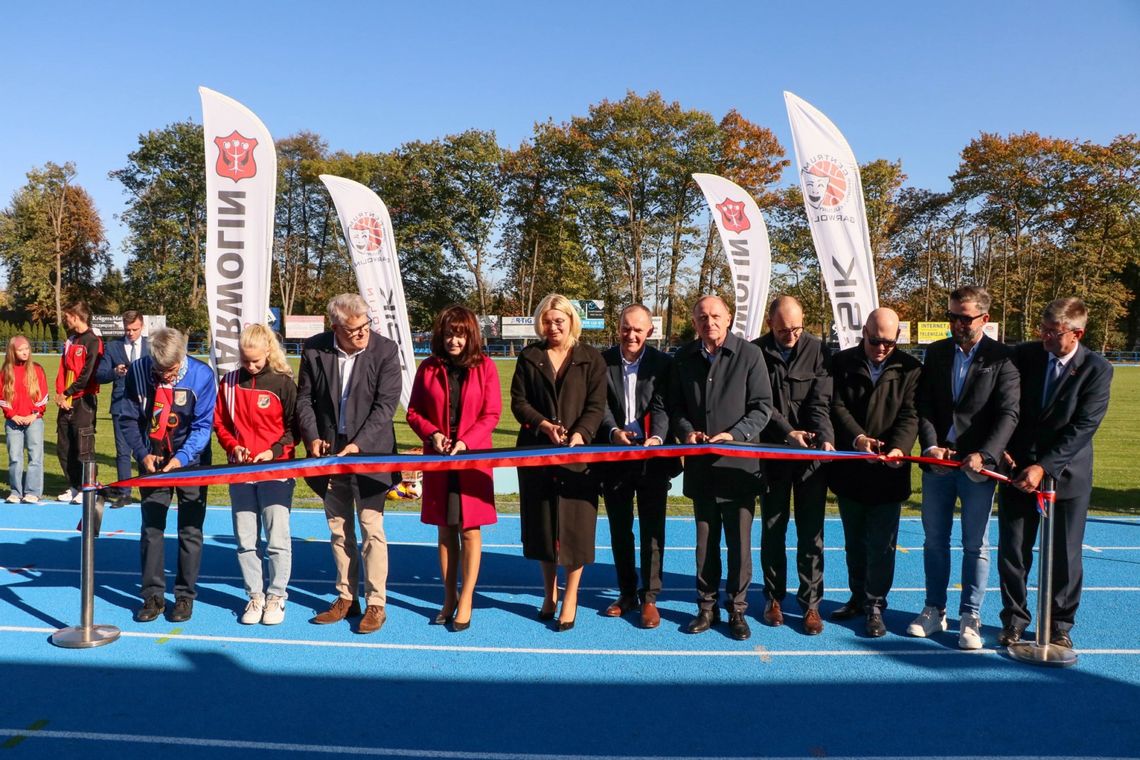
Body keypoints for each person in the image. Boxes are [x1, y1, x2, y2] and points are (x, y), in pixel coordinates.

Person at [997, 298, 1113, 649]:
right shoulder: (1024, 355)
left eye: (1053, 332)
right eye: (1042, 329)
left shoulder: (1098, 369)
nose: (1045, 336)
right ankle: (1014, 620)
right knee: (1014, 551)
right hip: (1017, 470)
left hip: (1067, 475)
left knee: (1065, 555)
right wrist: (1003, 449)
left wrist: (1043, 466)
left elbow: (1083, 427)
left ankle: (1060, 625)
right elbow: (1005, 404)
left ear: (1077, 333)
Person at [908, 286, 1019, 650]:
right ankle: (934, 610)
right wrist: (930, 446)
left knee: (976, 544)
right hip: (938, 462)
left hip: (977, 468)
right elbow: (924, 405)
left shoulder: (1003, 357)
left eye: (965, 318)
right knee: (934, 541)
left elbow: (1008, 413)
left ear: (985, 319)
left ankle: (970, 615)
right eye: (952, 316)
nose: (956, 323)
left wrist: (985, 455)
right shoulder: (937, 352)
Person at [297, 293, 402, 634]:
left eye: (365, 326)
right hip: (329, 452)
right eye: (354, 330)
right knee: (338, 529)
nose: (362, 334)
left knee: (371, 528)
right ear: (335, 328)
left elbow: (386, 408)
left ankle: (376, 604)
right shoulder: (314, 349)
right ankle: (345, 597)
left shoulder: (385, 350)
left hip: (370, 452)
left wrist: (359, 444)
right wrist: (312, 435)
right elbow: (304, 400)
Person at [670, 295, 773, 641]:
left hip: (739, 467)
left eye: (715, 316)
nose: (709, 322)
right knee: (705, 543)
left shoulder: (749, 355)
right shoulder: (683, 358)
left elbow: (762, 408)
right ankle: (706, 607)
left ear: (728, 318)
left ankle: (738, 610)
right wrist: (687, 432)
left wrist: (736, 435)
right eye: (702, 317)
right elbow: (676, 408)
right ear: (694, 321)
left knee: (738, 545)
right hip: (701, 468)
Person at [510, 293, 607, 632]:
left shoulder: (591, 358)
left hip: (578, 458)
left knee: (576, 529)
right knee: (543, 526)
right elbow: (519, 403)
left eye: (559, 321)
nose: (553, 327)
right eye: (547, 321)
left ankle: (571, 596)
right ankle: (549, 593)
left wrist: (580, 434)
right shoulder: (529, 356)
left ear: (571, 321)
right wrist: (544, 425)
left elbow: (596, 406)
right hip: (537, 452)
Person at [406, 305, 502, 632]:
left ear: (470, 335)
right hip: (438, 460)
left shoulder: (486, 367)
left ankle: (467, 598)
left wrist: (465, 442)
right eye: (448, 334)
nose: (453, 340)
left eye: (459, 334)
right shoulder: (429, 368)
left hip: (472, 460)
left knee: (470, 530)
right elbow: (414, 412)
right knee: (445, 530)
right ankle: (448, 597)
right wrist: (432, 434)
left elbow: (491, 415)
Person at [828, 308, 921, 637]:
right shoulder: (840, 363)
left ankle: (875, 605)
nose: (881, 348)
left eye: (888, 342)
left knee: (882, 544)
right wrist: (859, 439)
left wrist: (898, 447)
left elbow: (911, 413)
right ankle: (857, 597)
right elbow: (835, 406)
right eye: (874, 340)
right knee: (854, 541)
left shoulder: (910, 368)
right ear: (862, 333)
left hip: (889, 471)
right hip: (852, 467)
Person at [118, 328, 216, 623]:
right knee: (151, 528)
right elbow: (129, 417)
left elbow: (203, 426)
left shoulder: (202, 376)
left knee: (190, 529)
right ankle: (152, 595)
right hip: (153, 458)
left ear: (182, 358)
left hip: (192, 460)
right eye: (159, 371)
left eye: (171, 372)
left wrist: (182, 459)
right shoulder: (138, 371)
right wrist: (141, 452)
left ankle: (185, 596)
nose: (165, 377)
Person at [752, 296, 834, 635]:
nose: (792, 335)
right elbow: (761, 403)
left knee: (811, 533)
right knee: (773, 529)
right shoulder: (755, 352)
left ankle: (811, 604)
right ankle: (773, 599)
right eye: (785, 329)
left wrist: (824, 438)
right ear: (771, 323)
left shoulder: (818, 349)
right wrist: (787, 433)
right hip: (773, 455)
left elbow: (821, 400)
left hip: (810, 458)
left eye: (798, 327)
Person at [594, 304, 677, 629]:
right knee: (620, 530)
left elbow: (663, 407)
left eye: (638, 330)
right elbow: (598, 405)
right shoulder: (601, 362)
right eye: (626, 328)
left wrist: (656, 437)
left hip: (652, 461)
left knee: (652, 531)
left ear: (649, 332)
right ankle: (627, 592)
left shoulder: (663, 364)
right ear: (618, 328)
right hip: (615, 460)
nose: (631, 335)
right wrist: (614, 432)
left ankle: (650, 598)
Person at [214, 324, 297, 626]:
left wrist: (273, 452)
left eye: (256, 361)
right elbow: (220, 423)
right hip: (240, 471)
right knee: (246, 539)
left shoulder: (283, 383)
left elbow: (294, 431)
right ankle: (255, 596)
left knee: (276, 538)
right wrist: (233, 446)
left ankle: (276, 596)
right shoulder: (229, 383)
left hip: (276, 470)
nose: (250, 366)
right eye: (245, 360)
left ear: (268, 352)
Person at [95, 310, 148, 507]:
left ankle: (147, 490)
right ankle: (124, 493)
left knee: (146, 449)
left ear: (141, 326)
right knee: (123, 452)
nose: (131, 333)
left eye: (134, 329)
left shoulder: (150, 346)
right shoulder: (113, 347)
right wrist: (114, 372)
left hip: (147, 406)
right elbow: (100, 375)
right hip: (121, 405)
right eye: (127, 330)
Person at [54, 302, 103, 504]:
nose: (65, 320)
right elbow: (63, 369)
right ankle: (73, 486)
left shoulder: (93, 340)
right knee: (64, 446)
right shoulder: (71, 340)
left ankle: (88, 487)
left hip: (83, 400)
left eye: (67, 316)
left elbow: (87, 374)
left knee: (83, 446)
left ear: (75, 316)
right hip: (66, 399)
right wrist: (60, 395)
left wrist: (68, 393)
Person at [0, 336, 48, 503]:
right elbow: (2, 397)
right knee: (15, 457)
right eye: (21, 350)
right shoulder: (6, 371)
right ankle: (15, 491)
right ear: (13, 352)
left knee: (35, 457)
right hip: (13, 422)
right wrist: (13, 415)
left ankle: (33, 492)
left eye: (27, 348)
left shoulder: (37, 369)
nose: (25, 352)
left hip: (34, 420)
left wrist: (34, 414)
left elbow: (43, 396)